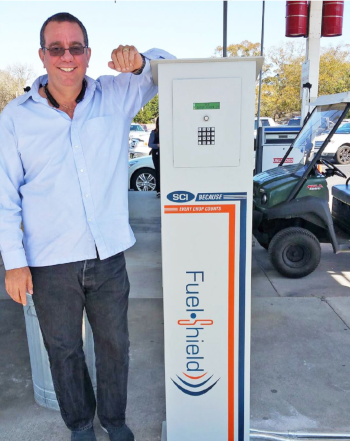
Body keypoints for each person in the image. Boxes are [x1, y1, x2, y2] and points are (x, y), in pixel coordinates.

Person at [0, 12, 175, 441]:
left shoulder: (116, 94)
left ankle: (115, 423)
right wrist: (14, 263)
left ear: (89, 54)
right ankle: (81, 426)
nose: (67, 57)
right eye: (56, 48)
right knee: (63, 351)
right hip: (50, 262)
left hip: (107, 255)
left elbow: (170, 67)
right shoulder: (15, 118)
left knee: (116, 347)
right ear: (42, 56)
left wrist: (140, 62)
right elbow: (5, 197)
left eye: (75, 47)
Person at [148, 117, 160, 197]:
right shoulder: (154, 132)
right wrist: (157, 145)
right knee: (158, 171)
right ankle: (159, 190)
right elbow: (150, 144)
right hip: (156, 153)